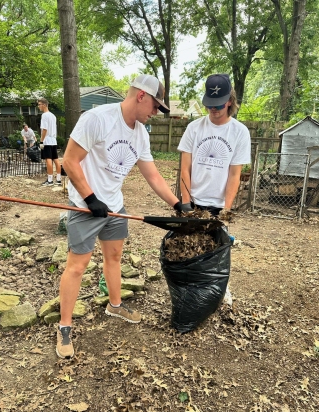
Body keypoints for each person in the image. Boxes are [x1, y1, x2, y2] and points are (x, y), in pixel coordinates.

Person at [56, 74, 183, 358]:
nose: (155, 113)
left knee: (113, 257)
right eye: (154, 106)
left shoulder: (140, 133)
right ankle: (64, 326)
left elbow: (152, 174)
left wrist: (178, 205)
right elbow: (69, 160)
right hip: (85, 206)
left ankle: (115, 306)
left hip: (114, 205)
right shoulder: (97, 119)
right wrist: (90, 197)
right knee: (77, 266)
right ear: (141, 96)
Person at [178, 73, 251, 306]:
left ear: (230, 100)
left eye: (219, 105)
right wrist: (187, 203)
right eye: (209, 105)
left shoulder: (239, 132)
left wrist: (226, 209)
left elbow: (234, 174)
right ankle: (193, 288)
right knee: (191, 246)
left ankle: (221, 288)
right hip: (195, 199)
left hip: (219, 203)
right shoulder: (194, 128)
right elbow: (185, 169)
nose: (214, 110)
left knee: (219, 249)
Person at [37, 98, 62, 186]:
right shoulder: (53, 115)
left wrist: (41, 141)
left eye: (39, 104)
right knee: (56, 159)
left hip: (47, 140)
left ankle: (50, 180)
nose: (38, 106)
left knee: (48, 159)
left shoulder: (44, 115)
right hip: (53, 140)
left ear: (44, 104)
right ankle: (58, 179)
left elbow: (45, 129)